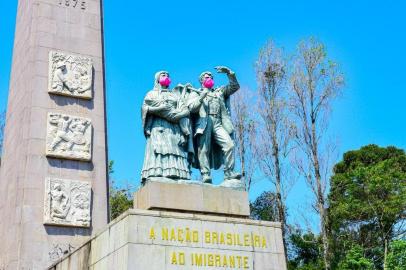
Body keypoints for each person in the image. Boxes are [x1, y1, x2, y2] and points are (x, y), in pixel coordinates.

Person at [141, 71, 197, 183]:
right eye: (163, 75)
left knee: (175, 150)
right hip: (158, 128)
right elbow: (145, 109)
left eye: (168, 75)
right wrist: (159, 109)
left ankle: (177, 174)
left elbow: (185, 109)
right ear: (157, 79)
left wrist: (177, 115)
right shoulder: (151, 94)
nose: (166, 77)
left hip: (174, 129)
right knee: (159, 151)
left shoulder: (175, 95)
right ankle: (156, 173)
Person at [191, 66, 242, 184]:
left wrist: (230, 73)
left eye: (211, 77)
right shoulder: (196, 93)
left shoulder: (219, 92)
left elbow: (235, 87)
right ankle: (205, 174)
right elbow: (192, 108)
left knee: (229, 145)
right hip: (204, 122)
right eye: (206, 77)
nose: (209, 78)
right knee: (204, 149)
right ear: (201, 81)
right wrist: (201, 97)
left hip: (218, 123)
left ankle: (229, 172)